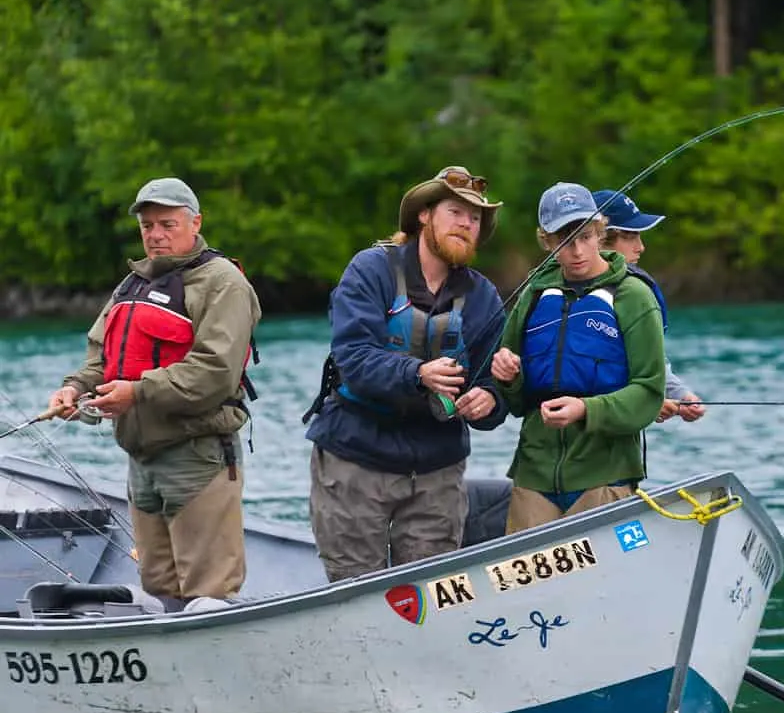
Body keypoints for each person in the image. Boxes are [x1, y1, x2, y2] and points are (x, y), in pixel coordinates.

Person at [48, 178, 260, 608]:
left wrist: (137, 393)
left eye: (167, 223)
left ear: (195, 222)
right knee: (160, 590)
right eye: (148, 226)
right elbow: (100, 358)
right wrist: (74, 389)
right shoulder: (132, 284)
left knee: (209, 594)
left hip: (197, 456)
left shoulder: (223, 283)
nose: (156, 235)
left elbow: (214, 371)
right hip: (141, 460)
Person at [305, 165, 507, 581]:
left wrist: (488, 399)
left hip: (437, 467)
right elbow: (353, 358)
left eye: (475, 218)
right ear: (424, 216)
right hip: (355, 457)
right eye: (456, 212)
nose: (467, 224)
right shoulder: (370, 270)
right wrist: (418, 374)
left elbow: (495, 387)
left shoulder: (483, 295)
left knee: (433, 593)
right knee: (355, 592)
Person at [491, 182, 665, 535]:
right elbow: (515, 400)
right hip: (533, 475)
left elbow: (649, 393)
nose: (577, 251)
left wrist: (587, 410)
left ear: (600, 233)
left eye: (586, 236)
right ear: (547, 242)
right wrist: (508, 377)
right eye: (564, 240)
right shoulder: (534, 296)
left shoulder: (635, 296)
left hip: (605, 476)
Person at [593, 189, 705, 426]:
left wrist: (680, 394)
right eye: (631, 236)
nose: (641, 247)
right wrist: (644, 403)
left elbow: (650, 362)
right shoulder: (559, 296)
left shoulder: (632, 293)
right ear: (600, 238)